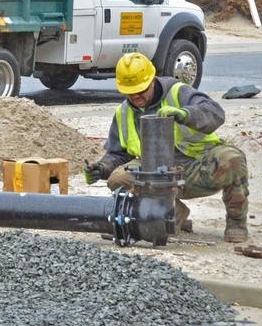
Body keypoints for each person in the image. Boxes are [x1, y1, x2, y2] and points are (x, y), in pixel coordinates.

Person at [84, 52, 249, 243]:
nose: (135, 96)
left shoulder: (178, 93)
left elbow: (215, 113)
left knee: (232, 158)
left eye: (140, 90)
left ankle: (236, 221)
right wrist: (101, 168)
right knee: (118, 178)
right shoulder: (124, 112)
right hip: (156, 175)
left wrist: (184, 114)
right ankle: (170, 215)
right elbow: (118, 153)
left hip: (195, 166)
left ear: (152, 80)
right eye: (130, 92)